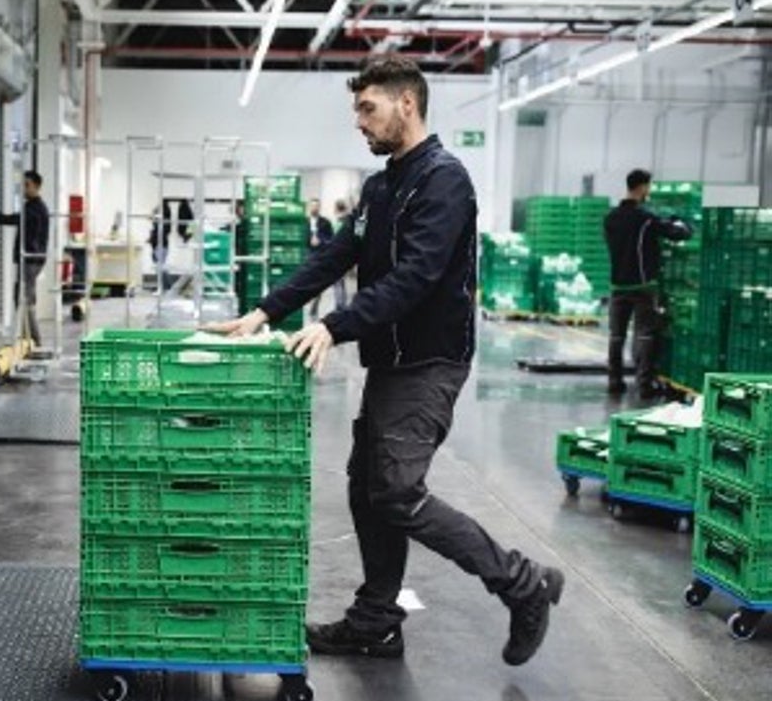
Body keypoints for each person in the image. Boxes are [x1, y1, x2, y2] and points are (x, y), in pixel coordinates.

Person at [203, 54, 563, 667]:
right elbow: (333, 259)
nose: (359, 123)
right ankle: (376, 621)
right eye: (356, 111)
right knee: (368, 490)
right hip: (391, 362)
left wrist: (332, 325)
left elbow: (416, 277)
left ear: (407, 103)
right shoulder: (380, 186)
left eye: (367, 109)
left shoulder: (445, 180)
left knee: (396, 491)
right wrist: (265, 312)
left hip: (430, 361)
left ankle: (521, 583)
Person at [604, 169, 693, 399]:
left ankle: (614, 380)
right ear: (642, 187)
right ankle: (644, 384)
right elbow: (678, 234)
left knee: (616, 335)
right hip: (643, 286)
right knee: (645, 334)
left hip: (617, 285)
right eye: (648, 186)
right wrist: (682, 223)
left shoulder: (610, 218)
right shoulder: (645, 219)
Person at [0, 170, 50, 345]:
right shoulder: (34, 206)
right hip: (32, 259)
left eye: (27, 185)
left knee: (24, 300)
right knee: (22, 297)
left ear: (36, 186)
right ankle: (27, 337)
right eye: (23, 184)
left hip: (31, 259)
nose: (24, 188)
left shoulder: (35, 208)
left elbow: (14, 219)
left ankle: (34, 340)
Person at [306, 198, 335, 319]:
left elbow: (331, 240)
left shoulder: (325, 223)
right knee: (306, 283)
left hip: (320, 256)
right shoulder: (303, 222)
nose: (315, 208)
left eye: (317, 206)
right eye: (312, 206)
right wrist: (309, 241)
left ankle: (314, 308)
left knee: (318, 285)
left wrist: (320, 242)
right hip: (306, 255)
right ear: (309, 207)